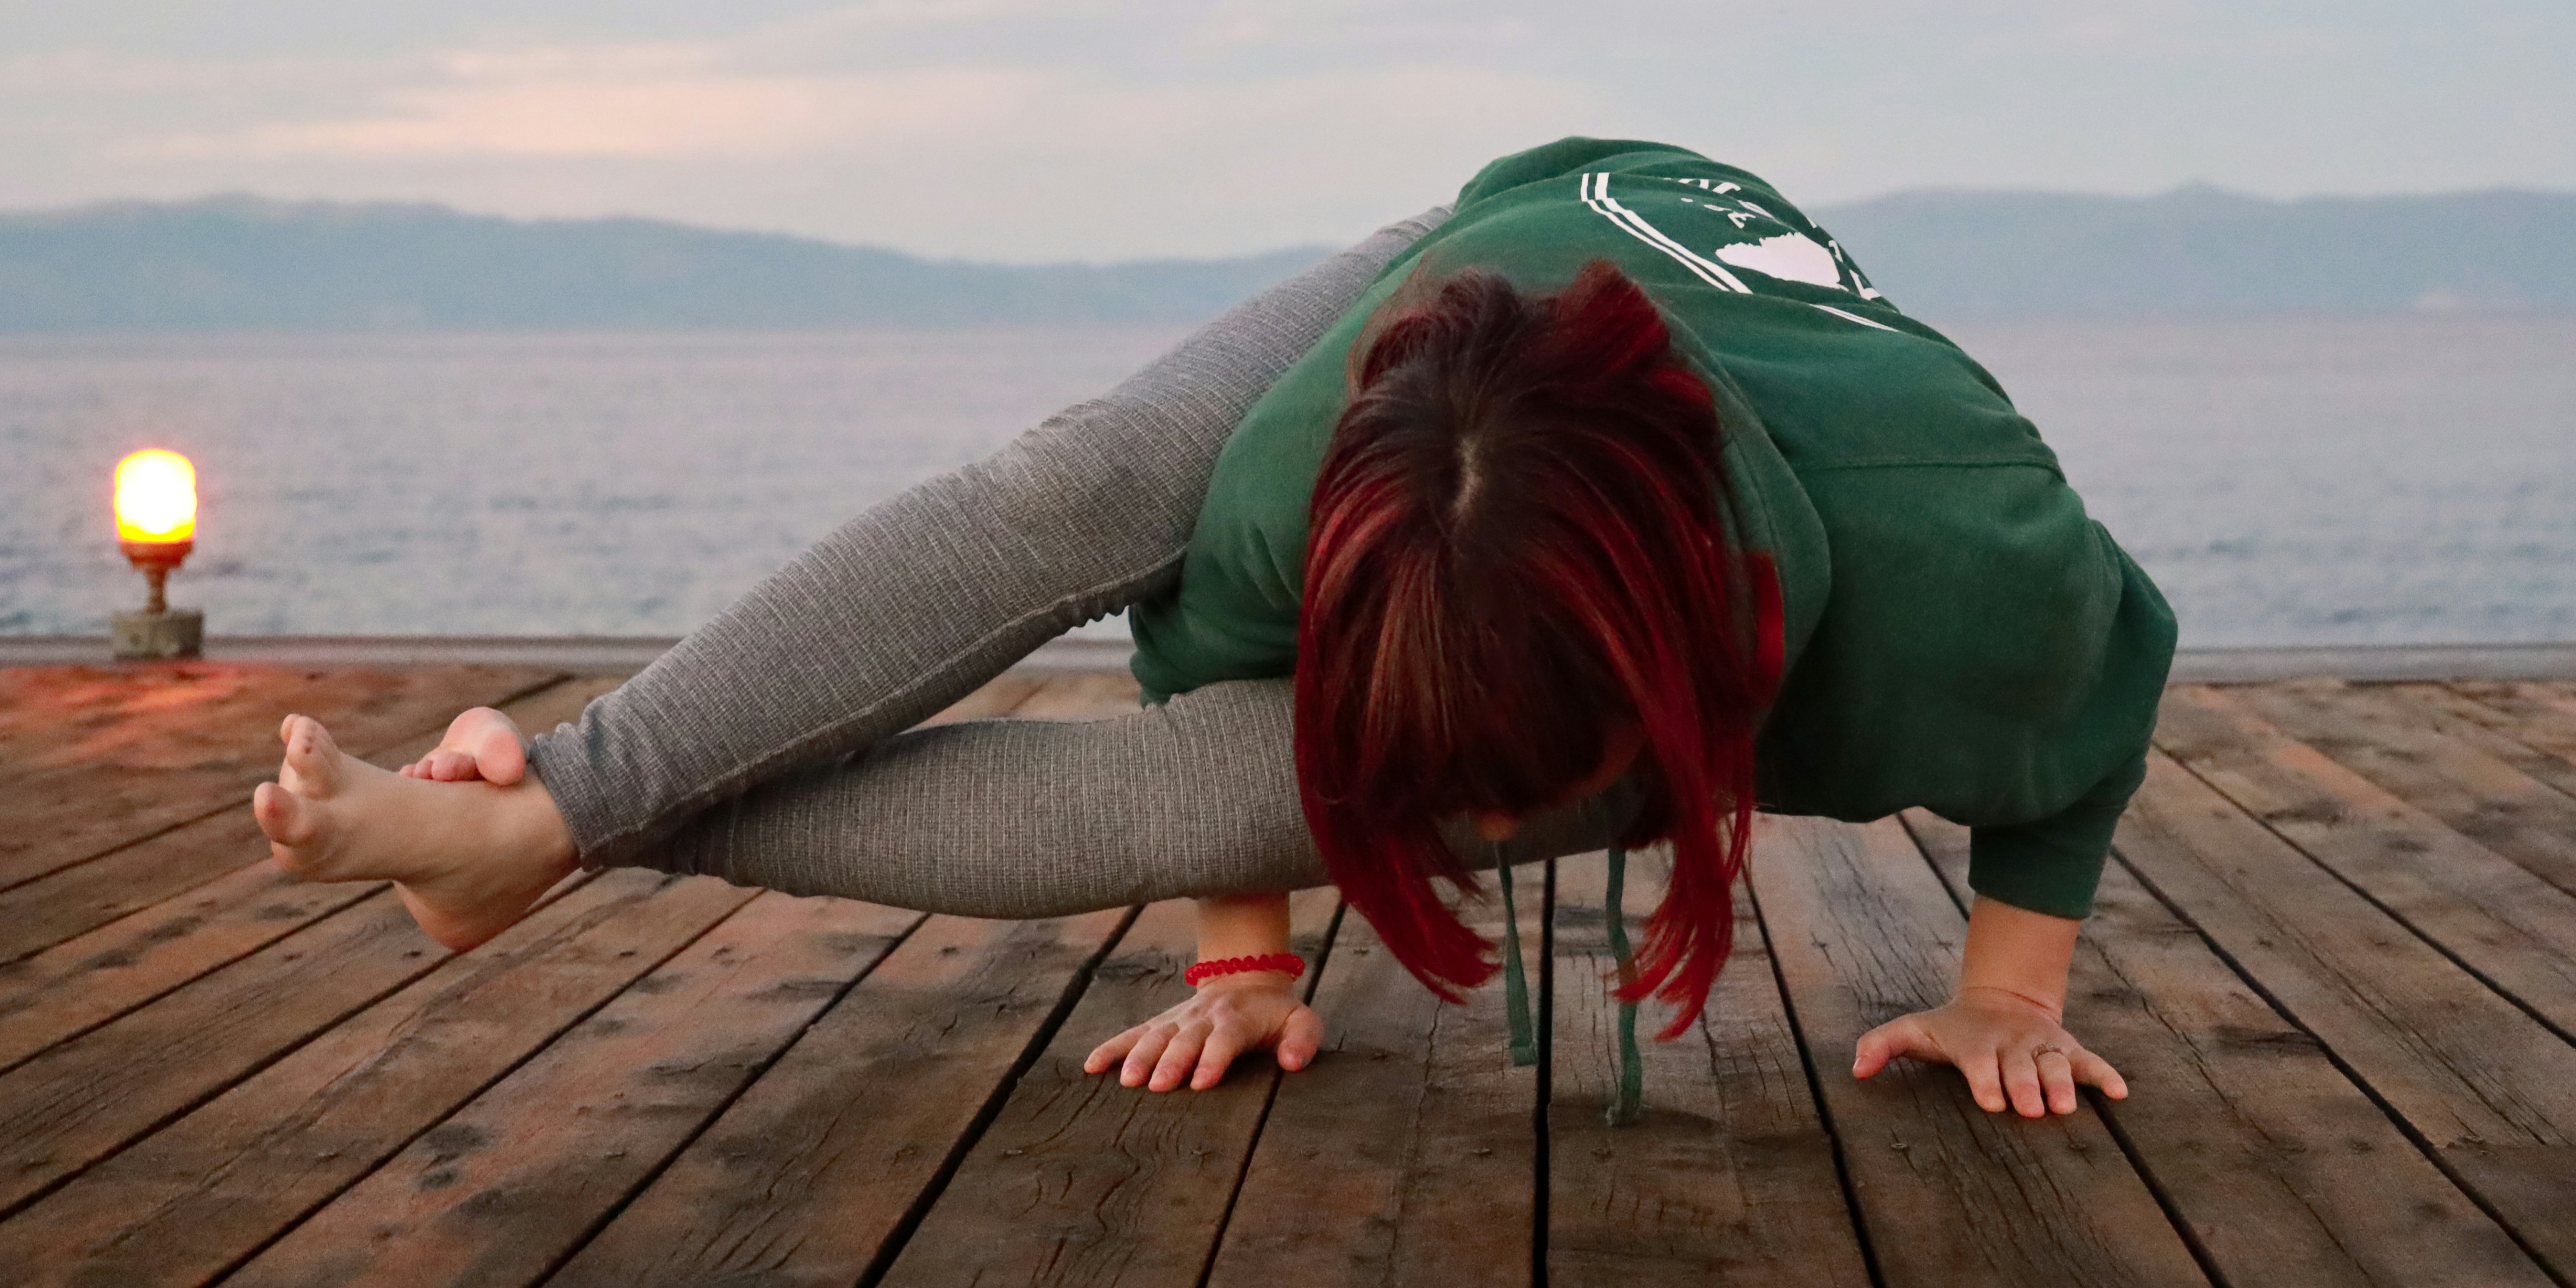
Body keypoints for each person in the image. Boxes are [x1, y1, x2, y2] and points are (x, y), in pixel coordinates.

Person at [252, 137, 2176, 1121]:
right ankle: (552, 810)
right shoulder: (1300, 487)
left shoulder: (1967, 578)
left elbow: (2114, 686)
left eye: (1509, 813)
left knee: (1236, 797)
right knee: (1082, 495)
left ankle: (551, 837)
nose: (1485, 850)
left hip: (1719, 428)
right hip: (1479, 273)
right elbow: (1201, 645)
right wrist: (1247, 960)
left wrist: (2008, 990)